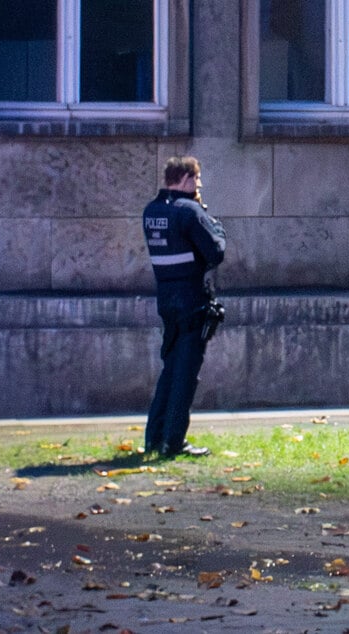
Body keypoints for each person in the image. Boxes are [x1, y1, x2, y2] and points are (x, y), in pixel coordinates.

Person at [142, 156, 226, 458]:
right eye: (197, 180)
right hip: (192, 300)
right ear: (186, 179)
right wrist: (217, 229)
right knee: (186, 373)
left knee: (170, 369)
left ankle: (154, 437)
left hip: (167, 300)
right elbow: (215, 252)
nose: (199, 186)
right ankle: (174, 441)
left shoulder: (152, 211)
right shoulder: (189, 212)